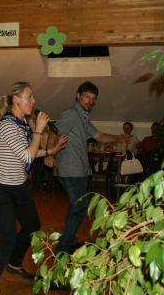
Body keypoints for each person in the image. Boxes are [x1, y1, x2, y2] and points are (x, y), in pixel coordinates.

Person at [0, 81, 67, 295]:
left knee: (32, 225)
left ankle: (14, 262)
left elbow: (28, 152)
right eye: (29, 97)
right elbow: (27, 155)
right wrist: (39, 130)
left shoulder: (21, 124)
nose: (34, 101)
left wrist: (50, 151)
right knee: (7, 240)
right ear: (16, 100)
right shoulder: (8, 125)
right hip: (1, 190)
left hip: (18, 186)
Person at [47, 81, 126, 255]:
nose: (90, 101)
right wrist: (50, 154)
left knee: (75, 207)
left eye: (93, 98)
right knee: (80, 207)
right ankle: (62, 249)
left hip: (79, 169)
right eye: (86, 97)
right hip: (70, 169)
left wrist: (118, 138)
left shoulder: (83, 117)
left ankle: (69, 242)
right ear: (78, 95)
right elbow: (54, 131)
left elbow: (99, 136)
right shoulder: (71, 114)